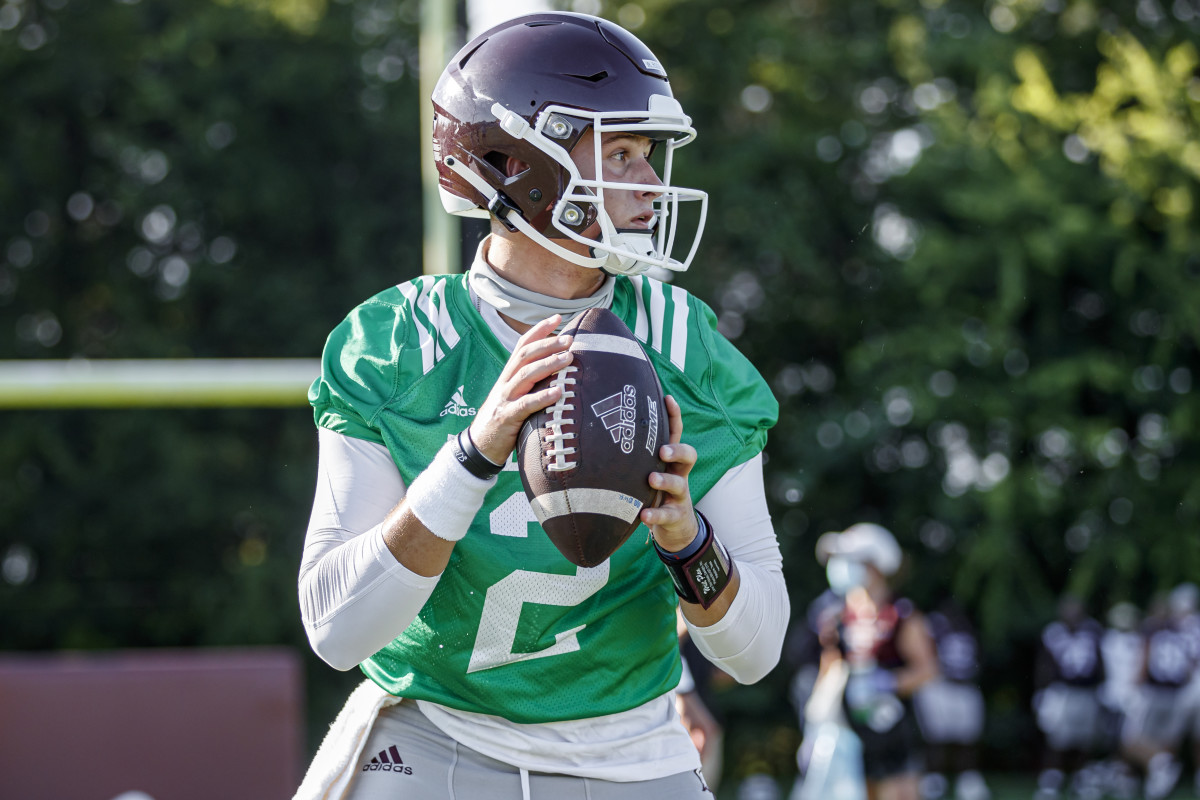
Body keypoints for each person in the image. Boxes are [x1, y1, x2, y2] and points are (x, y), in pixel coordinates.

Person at [291, 12, 788, 800]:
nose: (651, 183)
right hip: (433, 734)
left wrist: (686, 536)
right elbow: (336, 628)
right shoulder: (398, 344)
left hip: (630, 750)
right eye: (621, 153)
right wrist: (473, 456)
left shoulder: (688, 351)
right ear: (521, 164)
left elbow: (756, 650)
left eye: (649, 155)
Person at [807, 523, 940, 800]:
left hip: (893, 731)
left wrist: (888, 682)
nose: (842, 567)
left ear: (876, 565)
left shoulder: (900, 614)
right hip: (851, 734)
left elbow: (927, 670)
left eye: (851, 560)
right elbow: (828, 670)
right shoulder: (835, 616)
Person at [1030, 595, 1106, 800]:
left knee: (1085, 740)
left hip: (1086, 692)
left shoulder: (1093, 631)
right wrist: (1042, 691)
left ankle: (1081, 780)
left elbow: (1099, 661)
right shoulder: (1053, 632)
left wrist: (1101, 686)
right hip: (1061, 692)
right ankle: (1051, 781)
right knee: (1057, 739)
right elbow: (1044, 664)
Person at [912, 602, 990, 800]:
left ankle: (968, 783)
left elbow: (978, 657)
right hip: (940, 686)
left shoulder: (968, 627)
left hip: (965, 689)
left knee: (967, 738)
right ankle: (934, 781)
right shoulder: (932, 625)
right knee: (936, 738)